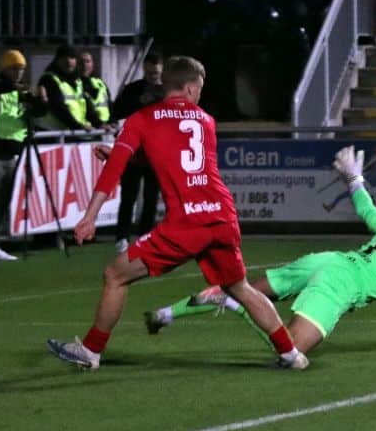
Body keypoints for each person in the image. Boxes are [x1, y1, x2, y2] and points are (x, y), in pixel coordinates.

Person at [45, 56, 309, 371]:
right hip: (222, 215)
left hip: (188, 223)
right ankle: (291, 354)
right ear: (187, 88)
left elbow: (118, 168)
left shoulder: (142, 119)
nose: (199, 95)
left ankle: (90, 351)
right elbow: (177, 157)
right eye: (198, 88)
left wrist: (91, 214)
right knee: (239, 287)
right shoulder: (206, 120)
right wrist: (129, 158)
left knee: (115, 275)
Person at [145, 148, 376, 356]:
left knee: (247, 288)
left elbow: (365, 207)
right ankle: (235, 305)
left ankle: (166, 313)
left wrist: (353, 177)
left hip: (328, 259)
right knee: (291, 349)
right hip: (342, 282)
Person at [0, 50, 44, 262]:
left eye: (21, 69)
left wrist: (40, 100)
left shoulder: (20, 92)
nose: (19, 73)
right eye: (14, 68)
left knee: (4, 200)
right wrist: (20, 92)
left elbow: (40, 111)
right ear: (5, 68)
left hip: (12, 153)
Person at [110, 51, 165, 253]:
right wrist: (137, 104)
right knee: (129, 195)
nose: (153, 74)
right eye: (150, 71)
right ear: (144, 68)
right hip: (133, 151)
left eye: (156, 72)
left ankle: (145, 237)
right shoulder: (132, 90)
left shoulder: (168, 92)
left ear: (162, 69)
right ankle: (122, 237)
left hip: (156, 153)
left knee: (151, 197)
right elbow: (115, 112)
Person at [35, 44, 92, 131]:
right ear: (57, 60)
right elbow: (58, 107)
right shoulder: (49, 79)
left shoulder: (77, 81)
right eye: (64, 57)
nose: (68, 61)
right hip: (51, 134)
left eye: (72, 57)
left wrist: (100, 124)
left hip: (72, 132)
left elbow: (88, 106)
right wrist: (77, 126)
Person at [77, 49, 112, 128]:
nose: (84, 65)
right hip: (83, 129)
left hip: (102, 130)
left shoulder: (100, 83)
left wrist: (112, 121)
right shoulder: (74, 84)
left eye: (87, 61)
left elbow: (110, 104)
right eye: (81, 62)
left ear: (93, 64)